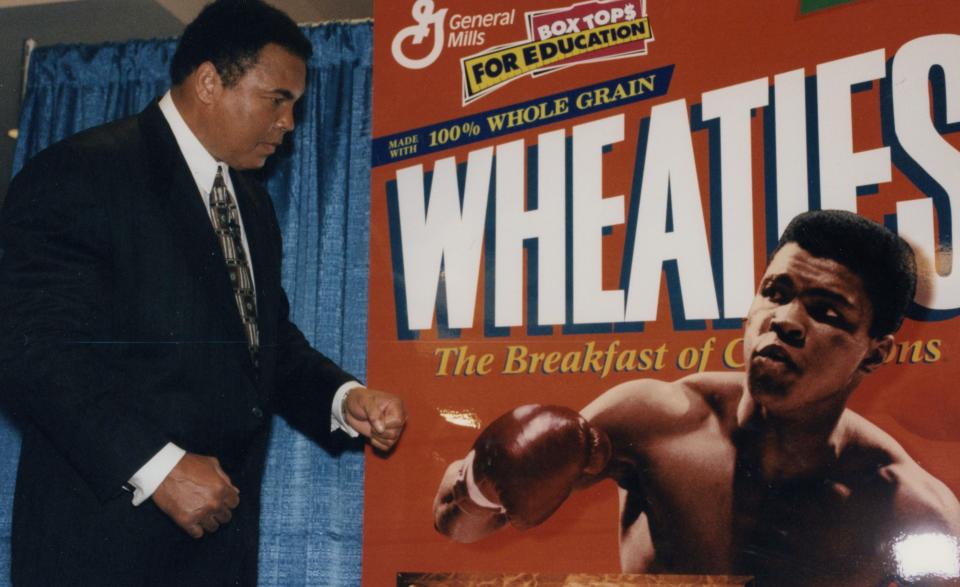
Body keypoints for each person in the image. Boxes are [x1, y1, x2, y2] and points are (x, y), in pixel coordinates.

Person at [0, 1, 404, 585]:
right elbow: (32, 348)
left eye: (296, 104)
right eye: (278, 99)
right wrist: (158, 468)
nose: (289, 124)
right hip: (100, 551)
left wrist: (344, 398)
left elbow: (268, 345)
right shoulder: (81, 172)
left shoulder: (253, 206)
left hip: (218, 556)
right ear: (210, 81)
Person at [433, 210, 960, 586]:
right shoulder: (656, 421)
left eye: (826, 312)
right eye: (775, 293)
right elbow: (455, 525)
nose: (785, 321)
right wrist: (479, 484)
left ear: (873, 356)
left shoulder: (907, 506)